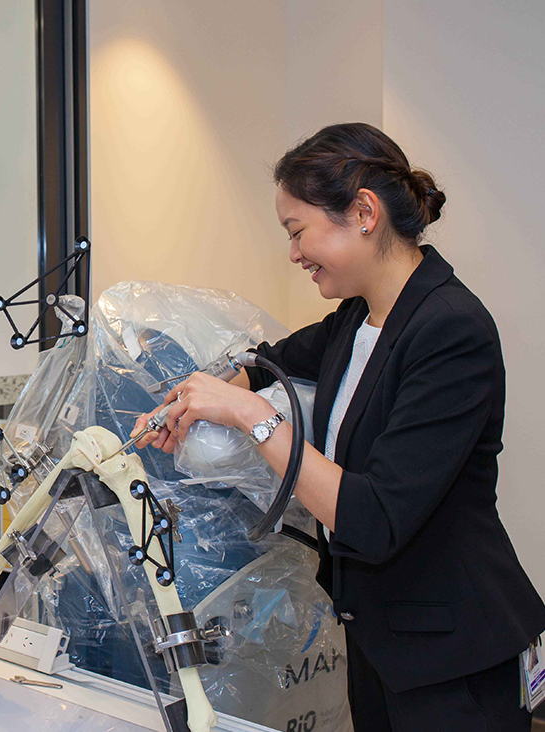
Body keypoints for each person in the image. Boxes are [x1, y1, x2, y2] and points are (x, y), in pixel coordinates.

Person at [132, 123, 545, 731]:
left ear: (363, 212)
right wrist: (186, 402)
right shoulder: (356, 318)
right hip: (379, 642)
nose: (293, 253)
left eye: (298, 231)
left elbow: (370, 518)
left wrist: (251, 417)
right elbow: (267, 362)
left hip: (452, 655)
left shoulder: (451, 330)